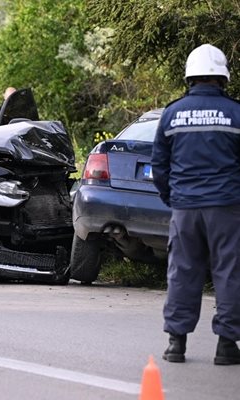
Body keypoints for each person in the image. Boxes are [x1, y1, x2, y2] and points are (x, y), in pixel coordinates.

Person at [151, 44, 240, 365]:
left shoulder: (173, 113)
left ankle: (176, 344)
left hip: (185, 209)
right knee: (229, 273)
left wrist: (172, 199)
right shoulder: (236, 113)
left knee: (182, 273)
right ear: (222, 78)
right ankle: (227, 346)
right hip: (227, 207)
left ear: (190, 77)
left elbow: (158, 166)